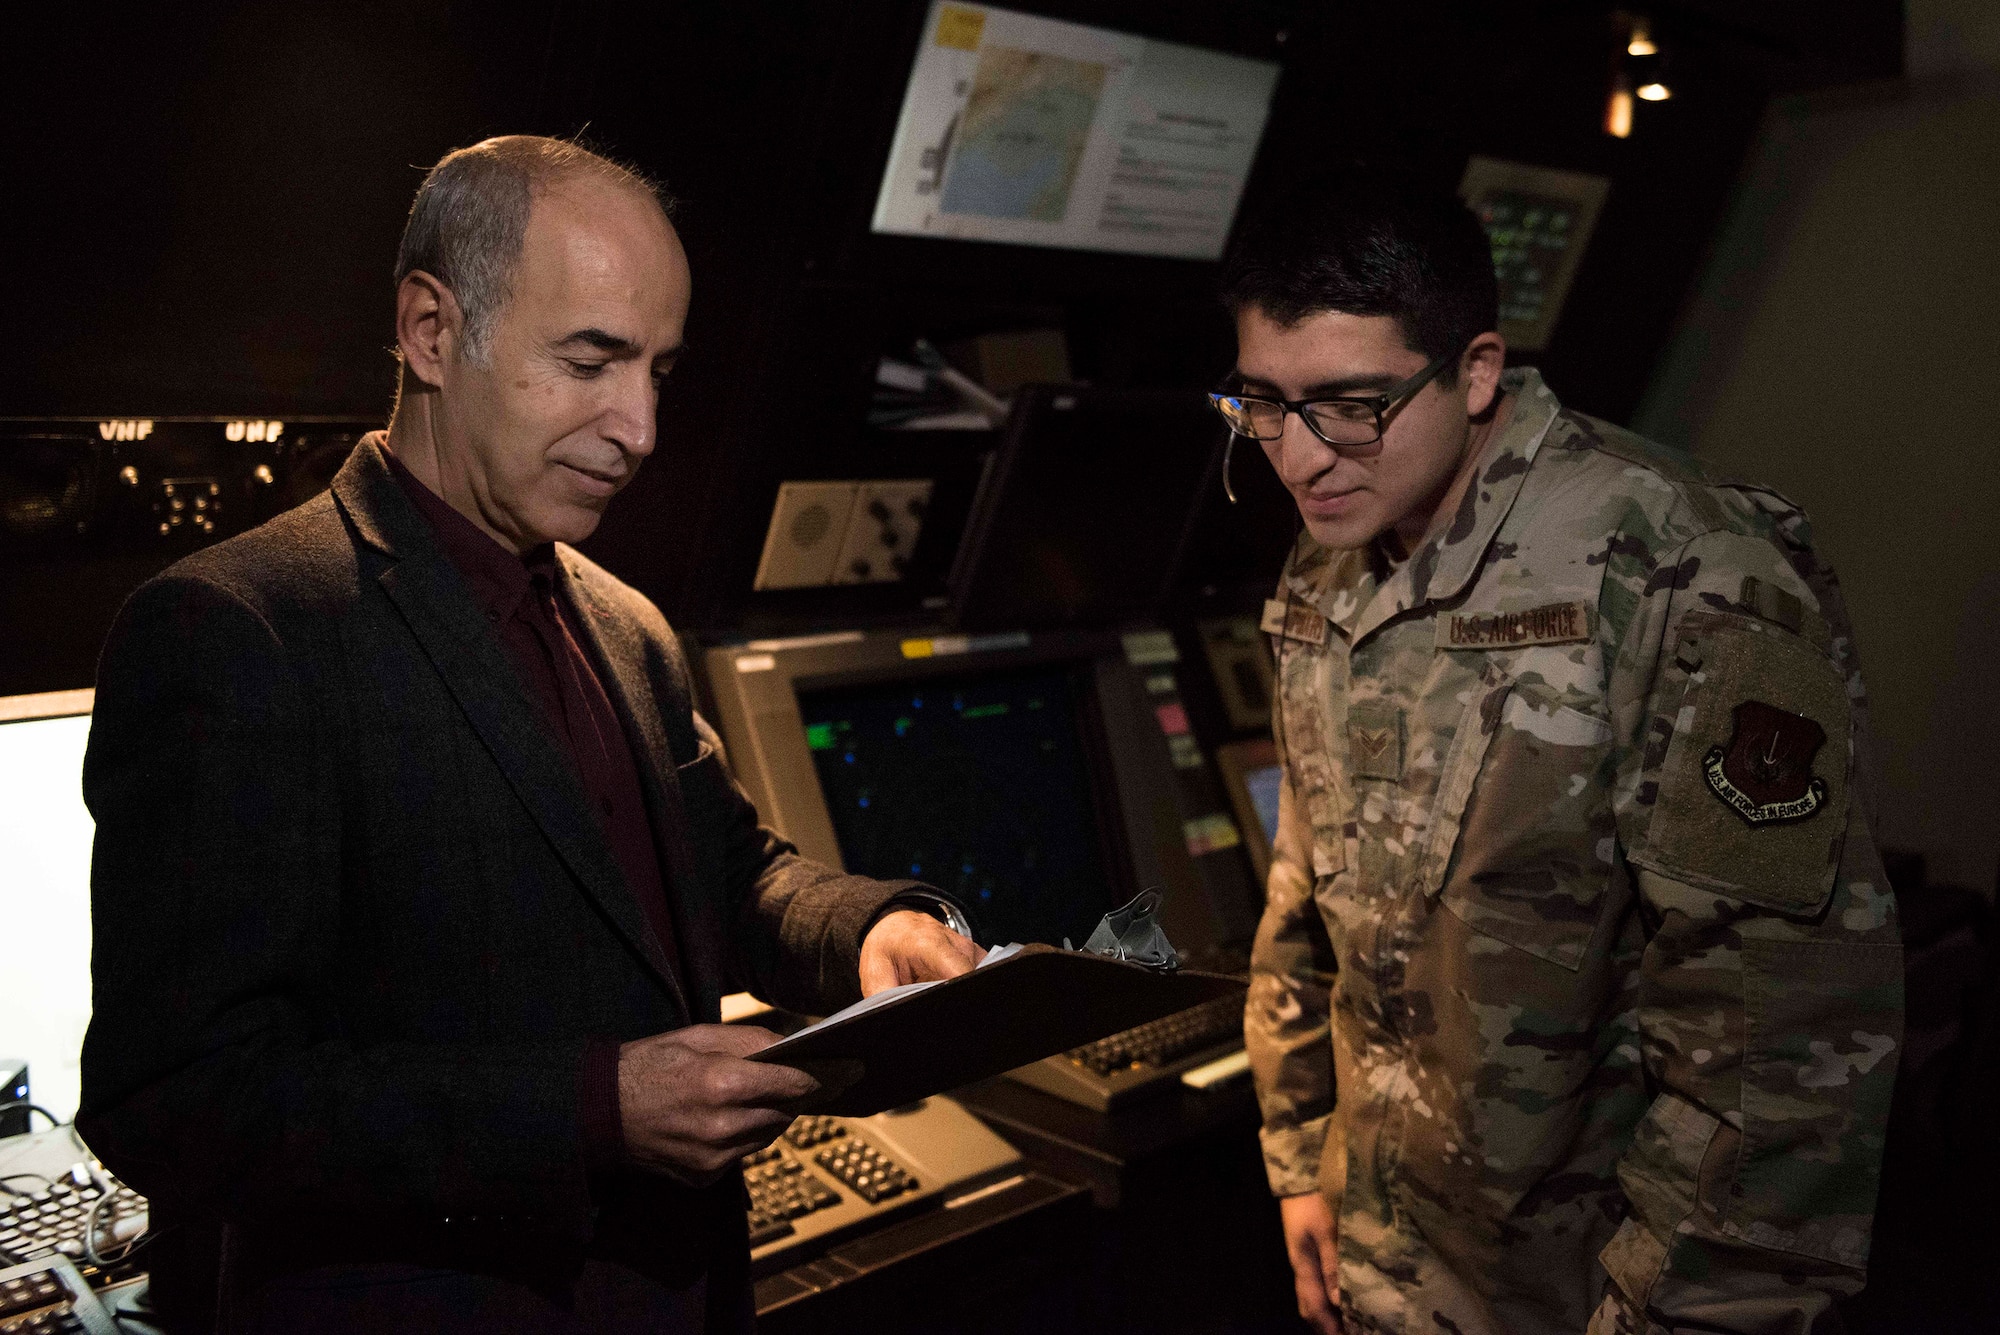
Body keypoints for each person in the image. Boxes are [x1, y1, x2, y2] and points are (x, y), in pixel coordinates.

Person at [77, 135, 983, 1334]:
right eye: (591, 361)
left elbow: (724, 872)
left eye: (658, 370)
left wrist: (866, 928)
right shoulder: (237, 629)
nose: (641, 426)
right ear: (431, 331)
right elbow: (177, 1094)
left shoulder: (625, 623)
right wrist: (591, 1109)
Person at [1218, 171, 1903, 1335]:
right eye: (1259, 404)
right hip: (1383, 1259)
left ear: (1475, 371)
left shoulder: (1686, 573)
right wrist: (1298, 1158)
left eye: (1349, 404)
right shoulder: (1329, 554)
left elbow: (1774, 1044)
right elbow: (1307, 892)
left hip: (1584, 1290)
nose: (1298, 457)